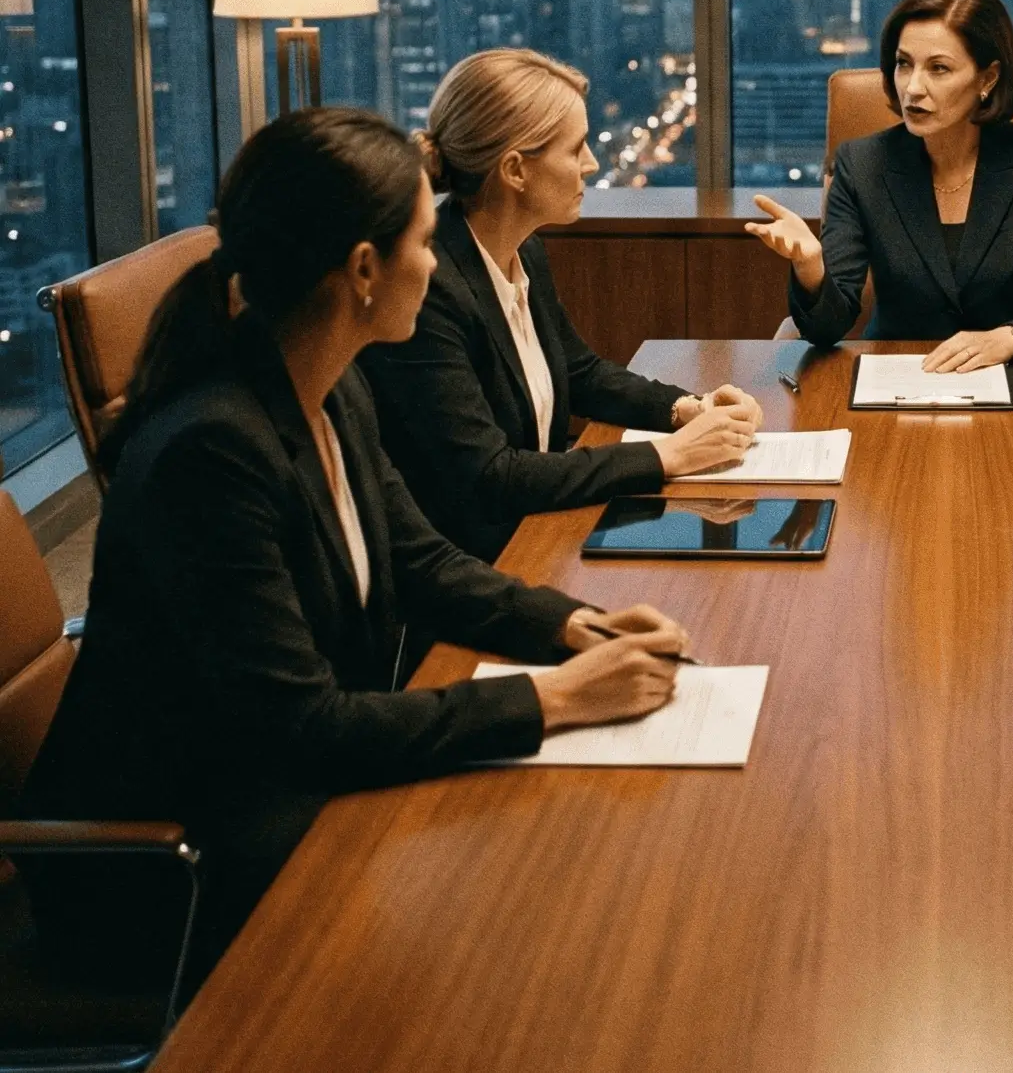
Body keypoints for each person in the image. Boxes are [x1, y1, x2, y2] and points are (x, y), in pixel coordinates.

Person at [21, 109, 694, 983]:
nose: (437, 260)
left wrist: (574, 628)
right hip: (176, 866)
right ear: (365, 271)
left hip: (285, 793)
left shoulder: (324, 387)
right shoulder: (212, 452)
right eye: (424, 240)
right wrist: (553, 701)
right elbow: (303, 729)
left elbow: (421, 562)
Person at [362, 50, 763, 562]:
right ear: (515, 170)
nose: (593, 164)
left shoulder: (521, 247)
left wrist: (688, 409)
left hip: (537, 537)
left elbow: (580, 372)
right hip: (478, 568)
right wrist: (669, 455)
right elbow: (491, 476)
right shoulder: (428, 287)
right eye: (576, 150)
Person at [746, 0, 1013, 363]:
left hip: (1010, 381)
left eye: (939, 68)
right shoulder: (862, 165)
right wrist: (811, 268)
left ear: (987, 78)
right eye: (904, 64)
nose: (913, 88)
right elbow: (827, 327)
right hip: (892, 379)